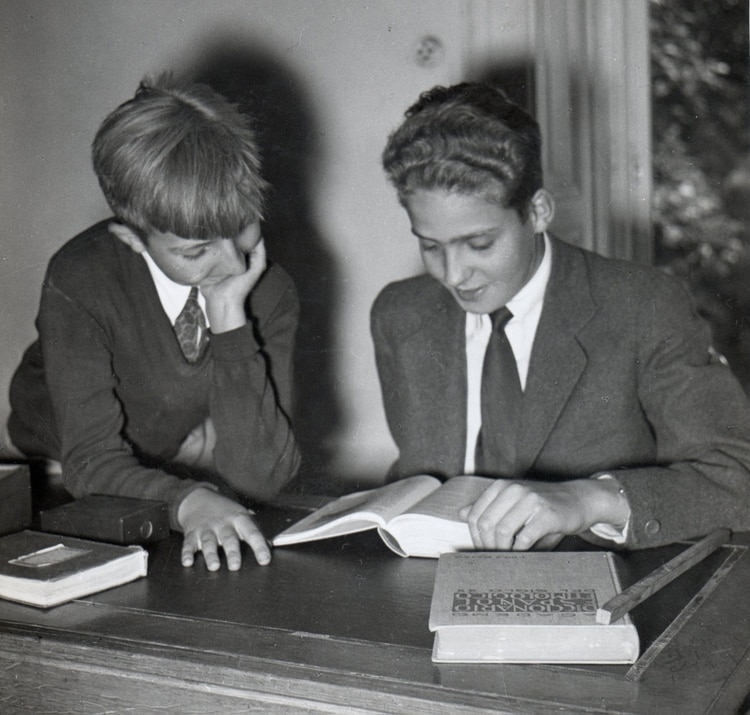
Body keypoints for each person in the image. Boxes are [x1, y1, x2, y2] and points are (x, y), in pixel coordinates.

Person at [372, 82, 750, 551]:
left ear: (538, 211)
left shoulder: (641, 305)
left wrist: (586, 500)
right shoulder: (399, 313)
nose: (453, 274)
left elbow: (736, 481)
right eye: (430, 245)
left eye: (480, 244)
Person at [7, 74, 300, 571]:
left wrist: (230, 322)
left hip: (165, 472)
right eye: (195, 251)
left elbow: (264, 478)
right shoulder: (82, 276)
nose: (233, 265)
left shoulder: (266, 289)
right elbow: (90, 460)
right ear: (133, 239)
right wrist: (188, 498)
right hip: (54, 473)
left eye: (242, 227)